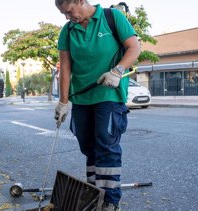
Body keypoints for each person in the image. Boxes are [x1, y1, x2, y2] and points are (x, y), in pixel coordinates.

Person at [54, 0, 141, 210]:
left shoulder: (112, 18)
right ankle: (94, 195)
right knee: (88, 147)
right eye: (63, 14)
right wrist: (63, 102)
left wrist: (117, 71)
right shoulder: (68, 31)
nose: (67, 17)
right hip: (82, 98)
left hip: (108, 95)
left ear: (80, 1)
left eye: (69, 11)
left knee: (105, 144)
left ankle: (110, 202)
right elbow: (65, 67)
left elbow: (134, 47)